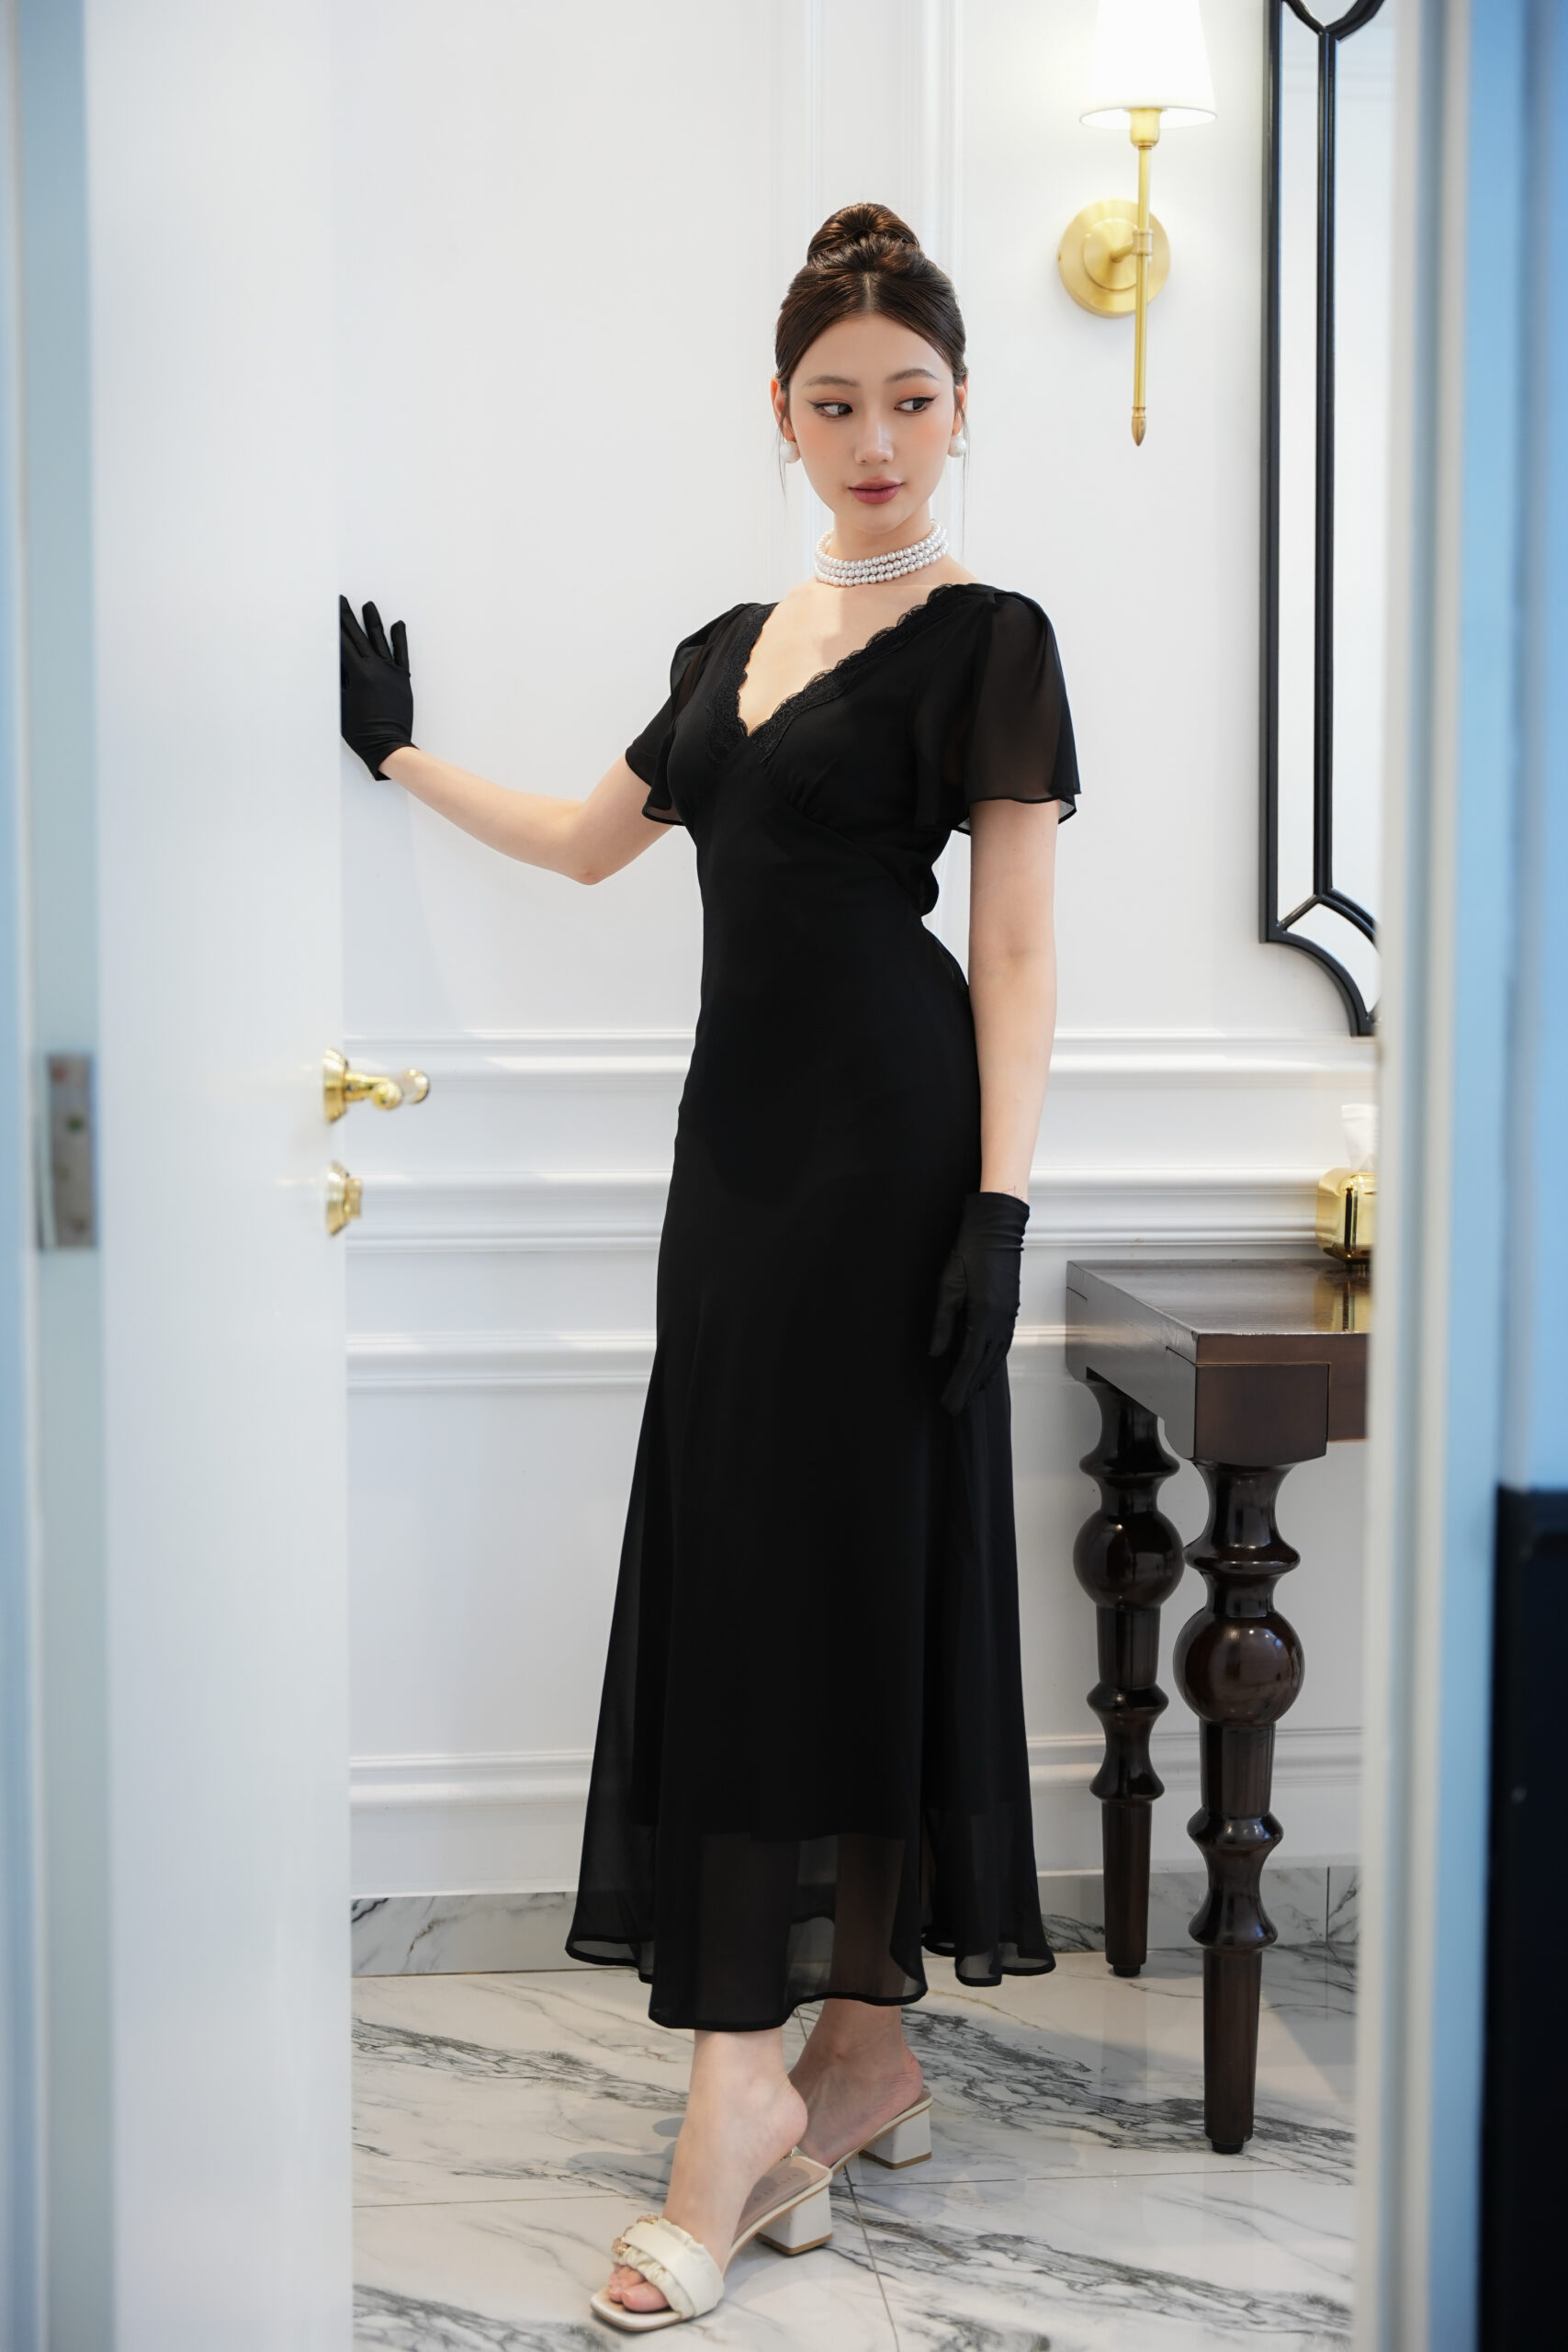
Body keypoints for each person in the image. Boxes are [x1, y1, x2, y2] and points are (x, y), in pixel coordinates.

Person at [339, 198, 1079, 2334]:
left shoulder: (990, 635)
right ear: (780, 415)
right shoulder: (722, 647)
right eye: (835, 404)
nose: (876, 440)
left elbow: (1013, 945)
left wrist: (997, 1208)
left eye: (910, 400)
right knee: (752, 1570)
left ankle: (747, 2090)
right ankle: (855, 2049)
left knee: (850, 1567)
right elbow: (589, 845)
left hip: (898, 1159)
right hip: (735, 1171)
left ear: (960, 408)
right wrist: (392, 753)